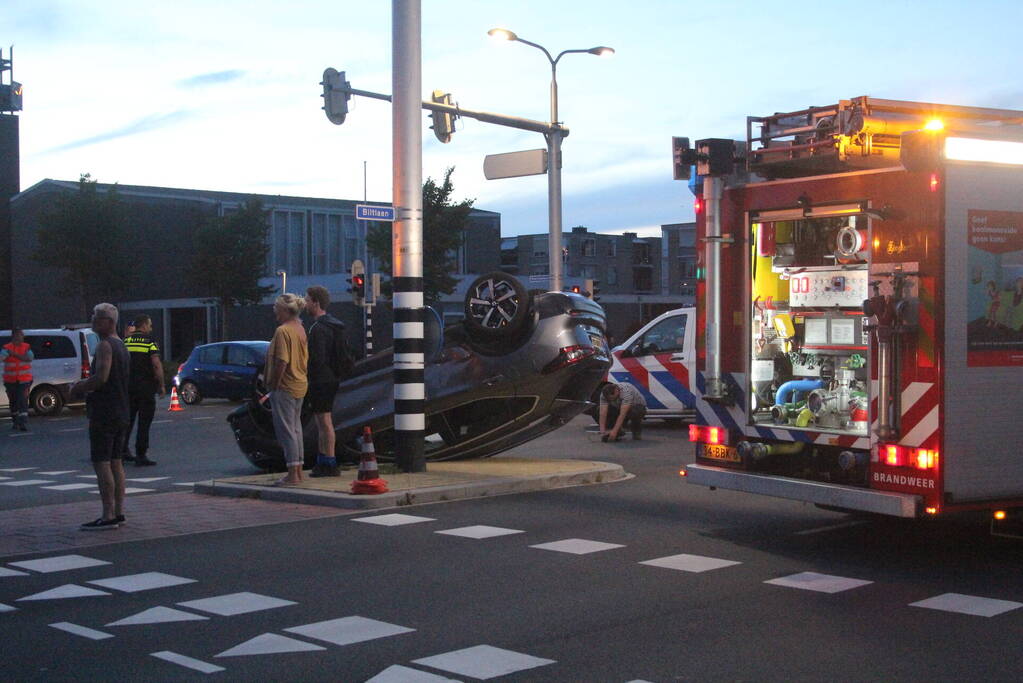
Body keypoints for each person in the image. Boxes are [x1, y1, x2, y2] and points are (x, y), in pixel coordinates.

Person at [70, 303, 130, 530]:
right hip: (121, 410)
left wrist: (79, 386)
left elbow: (101, 377)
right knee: (116, 462)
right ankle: (119, 512)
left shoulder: (106, 346)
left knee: (102, 462)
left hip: (105, 411)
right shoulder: (122, 346)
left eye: (97, 318)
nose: (93, 321)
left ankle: (107, 515)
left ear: (110, 322)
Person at [304, 286, 348, 477]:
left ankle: (329, 462)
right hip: (332, 377)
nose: (305, 303)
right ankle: (325, 460)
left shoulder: (318, 328)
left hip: (320, 380)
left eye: (307, 299)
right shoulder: (334, 326)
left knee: (324, 421)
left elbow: (317, 358)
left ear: (316, 302)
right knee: (323, 420)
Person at [265, 293, 309, 485]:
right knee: (296, 428)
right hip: (300, 382)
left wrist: (274, 384)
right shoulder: (300, 328)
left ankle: (292, 474)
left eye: (276, 308)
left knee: (286, 430)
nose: (274, 311)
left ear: (285, 310)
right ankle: (298, 470)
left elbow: (282, 360)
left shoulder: (282, 331)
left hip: (286, 385)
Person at [122, 315, 165, 466]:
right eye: (150, 325)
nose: (151, 328)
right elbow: (156, 365)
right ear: (144, 326)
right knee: (144, 422)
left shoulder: (125, 342)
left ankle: (123, 450)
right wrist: (161, 385)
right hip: (146, 388)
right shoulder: (150, 342)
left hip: (128, 388)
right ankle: (141, 454)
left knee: (128, 420)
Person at [2, 328, 33, 432]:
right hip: (10, 381)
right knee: (13, 401)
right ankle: (15, 420)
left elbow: (29, 358)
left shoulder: (26, 347)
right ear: (14, 336)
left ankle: (23, 422)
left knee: (23, 400)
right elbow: (2, 357)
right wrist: (7, 354)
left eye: (22, 336)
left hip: (24, 380)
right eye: (19, 335)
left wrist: (13, 354)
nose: (21, 338)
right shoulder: (6, 347)